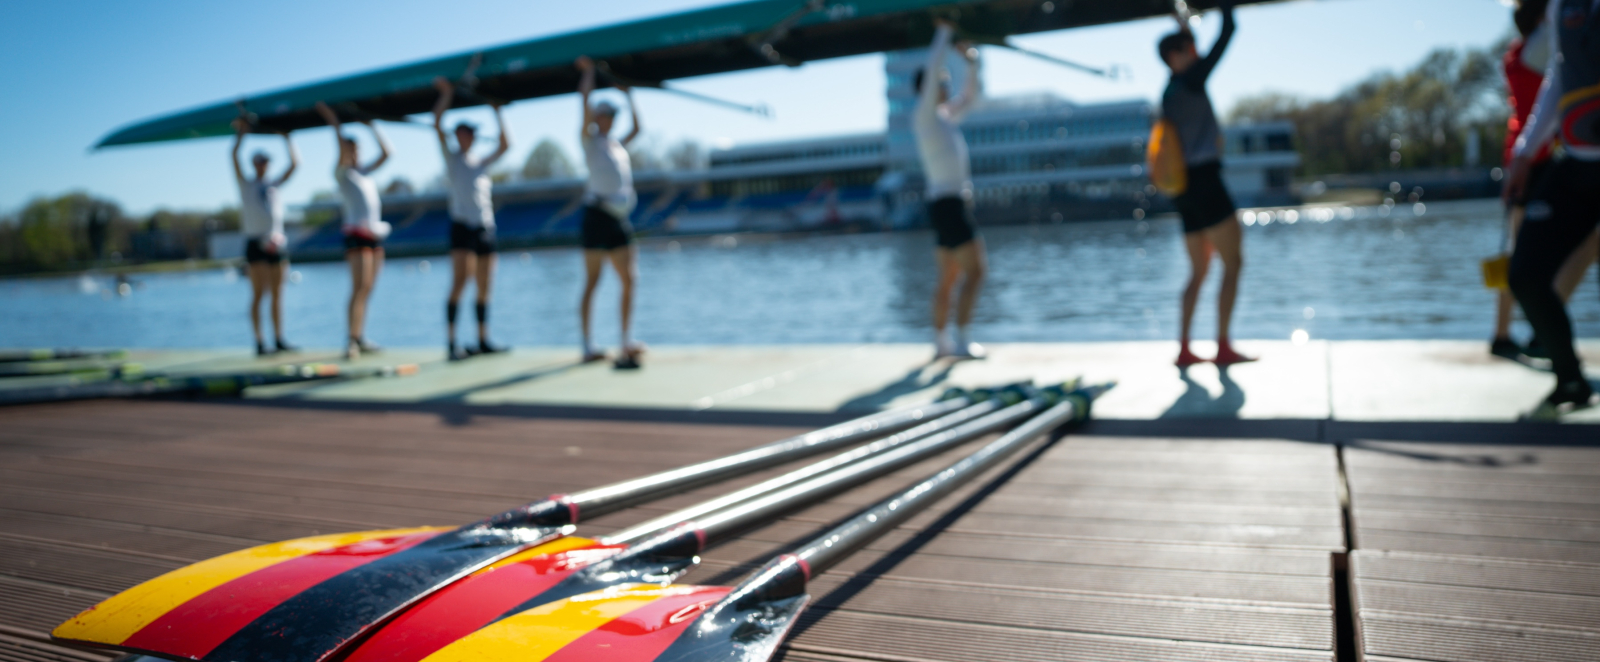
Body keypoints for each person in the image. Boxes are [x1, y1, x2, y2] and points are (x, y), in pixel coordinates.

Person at [1504, 0, 1600, 411]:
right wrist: (1525, 152)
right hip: (1577, 162)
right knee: (1525, 273)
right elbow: (1559, 73)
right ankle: (1571, 379)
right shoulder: (1561, 7)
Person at [1159, 0, 1252, 368]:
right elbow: (1228, 32)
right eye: (1190, 49)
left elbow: (1186, 46)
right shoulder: (1193, 79)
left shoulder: (1169, 88)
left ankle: (1184, 349)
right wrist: (1226, 6)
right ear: (1178, 56)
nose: (1197, 53)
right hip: (1206, 183)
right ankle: (1223, 347)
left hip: (1182, 190)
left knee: (1198, 272)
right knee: (1234, 262)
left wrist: (1182, 26)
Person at [915, 18, 987, 360]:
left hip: (946, 205)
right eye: (942, 83)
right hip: (949, 205)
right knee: (976, 272)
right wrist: (944, 31)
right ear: (929, 89)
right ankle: (963, 340)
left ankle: (941, 344)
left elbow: (971, 97)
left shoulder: (944, 119)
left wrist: (970, 62)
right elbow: (932, 69)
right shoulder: (924, 118)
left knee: (948, 277)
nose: (945, 86)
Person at [432, 77, 512, 361]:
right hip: (462, 227)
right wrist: (447, 93)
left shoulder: (480, 161)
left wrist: (497, 110)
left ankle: (482, 339)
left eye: (474, 133)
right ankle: (452, 342)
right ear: (458, 136)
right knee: (460, 282)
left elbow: (506, 144)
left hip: (485, 227)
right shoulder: (452, 159)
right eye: (466, 133)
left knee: (485, 284)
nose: (471, 137)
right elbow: (436, 121)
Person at [575, 56, 645, 369]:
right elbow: (583, 100)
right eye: (607, 114)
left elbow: (639, 127)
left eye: (614, 115)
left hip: (619, 218)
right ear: (596, 117)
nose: (612, 119)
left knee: (630, 279)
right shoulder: (589, 141)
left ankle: (625, 340)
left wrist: (629, 94)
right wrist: (589, 74)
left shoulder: (617, 144)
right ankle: (588, 344)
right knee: (593, 281)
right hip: (597, 215)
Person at [315, 102, 392, 360]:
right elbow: (339, 145)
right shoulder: (342, 173)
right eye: (349, 149)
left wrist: (372, 127)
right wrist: (333, 121)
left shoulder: (364, 173)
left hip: (374, 236)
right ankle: (350, 341)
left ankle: (360, 336)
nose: (354, 153)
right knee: (358, 287)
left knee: (369, 287)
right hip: (356, 235)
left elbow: (387, 153)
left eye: (356, 148)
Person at [231, 118, 299, 356]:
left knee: (278, 295)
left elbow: (295, 165)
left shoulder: (274, 185)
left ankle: (279, 338)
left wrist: (287, 138)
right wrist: (242, 134)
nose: (263, 165)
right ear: (254, 164)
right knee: (259, 294)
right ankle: (260, 341)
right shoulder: (246, 185)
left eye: (266, 162)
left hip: (276, 242)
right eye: (259, 162)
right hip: (255, 243)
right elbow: (233, 156)